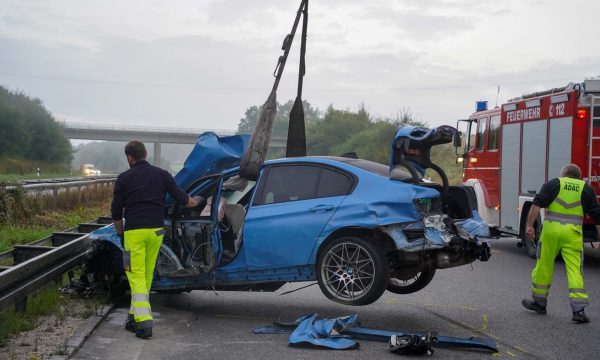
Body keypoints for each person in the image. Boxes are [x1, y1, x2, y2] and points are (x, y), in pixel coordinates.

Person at [112, 140, 200, 339]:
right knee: (146, 275)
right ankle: (134, 317)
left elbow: (116, 212)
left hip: (134, 233)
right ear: (145, 155)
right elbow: (183, 199)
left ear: (130, 157)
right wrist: (197, 201)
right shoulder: (162, 174)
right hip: (156, 232)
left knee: (135, 276)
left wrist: (120, 234)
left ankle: (144, 324)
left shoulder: (124, 178)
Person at [522, 164, 600, 323]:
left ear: (564, 174)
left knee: (544, 264)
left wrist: (529, 226)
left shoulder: (553, 183)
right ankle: (578, 311)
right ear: (578, 177)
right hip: (573, 234)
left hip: (551, 232)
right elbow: (597, 216)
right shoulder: (586, 189)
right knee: (574, 270)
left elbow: (536, 205)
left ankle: (539, 302)